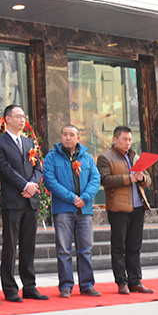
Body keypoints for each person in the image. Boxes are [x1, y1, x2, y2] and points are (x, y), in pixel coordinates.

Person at [0, 105, 49, 303]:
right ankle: (9, 288)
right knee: (10, 245)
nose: (23, 120)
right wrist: (25, 185)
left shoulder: (29, 142)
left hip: (30, 200)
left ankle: (29, 286)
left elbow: (38, 168)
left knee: (28, 245)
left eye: (24, 116)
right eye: (18, 116)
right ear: (7, 119)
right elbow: (4, 169)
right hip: (13, 201)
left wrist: (33, 185)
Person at [42, 124, 102, 298]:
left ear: (78, 138)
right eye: (65, 134)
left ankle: (87, 285)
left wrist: (85, 198)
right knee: (63, 250)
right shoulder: (52, 157)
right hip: (63, 209)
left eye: (72, 135)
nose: (68, 138)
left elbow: (95, 179)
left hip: (84, 210)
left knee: (86, 249)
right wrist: (72, 198)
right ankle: (66, 286)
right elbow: (50, 181)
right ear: (60, 137)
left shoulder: (87, 158)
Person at [97, 126, 154, 295]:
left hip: (138, 207)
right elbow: (105, 180)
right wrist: (129, 178)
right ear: (115, 139)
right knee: (119, 247)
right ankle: (121, 282)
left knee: (134, 246)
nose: (128, 143)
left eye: (130, 139)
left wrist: (142, 178)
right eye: (124, 139)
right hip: (118, 208)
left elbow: (148, 179)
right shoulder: (105, 158)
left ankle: (135, 281)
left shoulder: (135, 157)